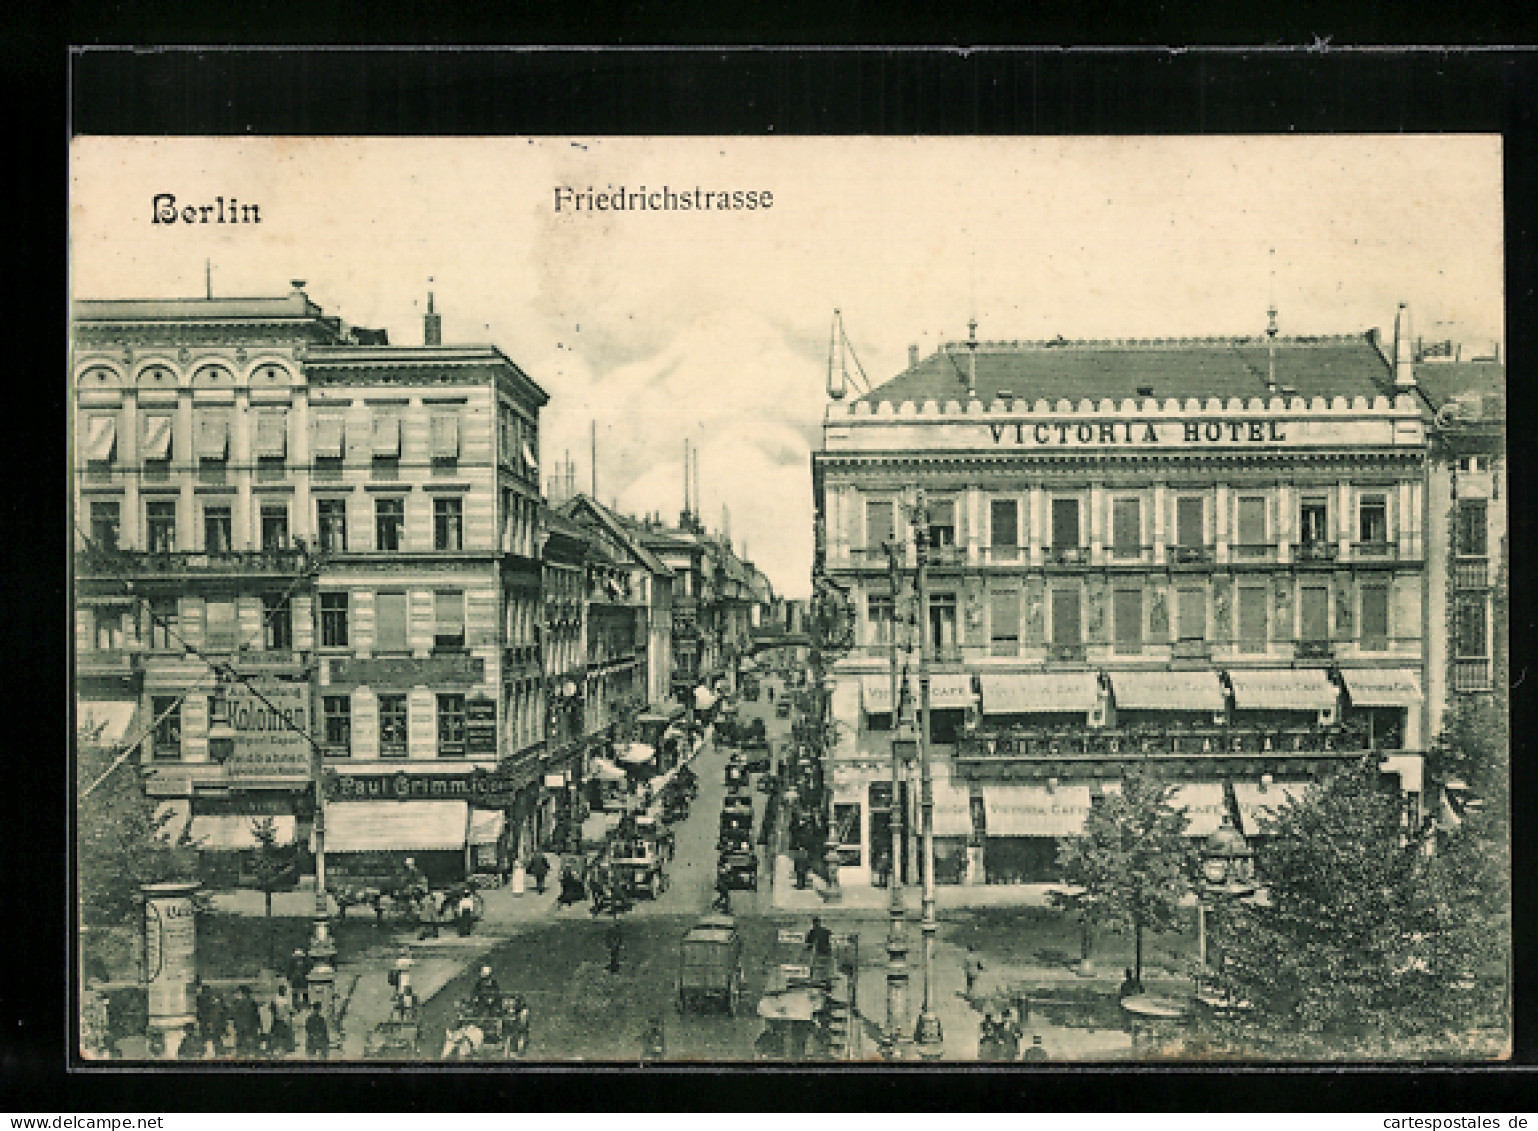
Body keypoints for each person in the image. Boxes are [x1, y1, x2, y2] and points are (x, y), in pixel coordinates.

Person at [231, 985, 263, 1058]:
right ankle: (249, 1053)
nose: (237, 995)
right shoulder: (251, 1002)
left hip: (245, 1025)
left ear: (243, 994)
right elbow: (257, 1015)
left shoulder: (241, 1003)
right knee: (247, 1040)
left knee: (243, 1040)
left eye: (238, 993)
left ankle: (244, 1054)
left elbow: (255, 1015)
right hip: (247, 1025)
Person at [268, 981, 295, 1058]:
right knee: (284, 1035)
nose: (285, 992)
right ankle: (282, 1050)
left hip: (276, 1019)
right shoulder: (284, 1000)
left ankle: (275, 1049)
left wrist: (275, 1014)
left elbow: (270, 1008)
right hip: (283, 1019)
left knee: (275, 1034)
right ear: (282, 991)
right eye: (284, 991)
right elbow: (289, 1010)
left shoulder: (275, 999)